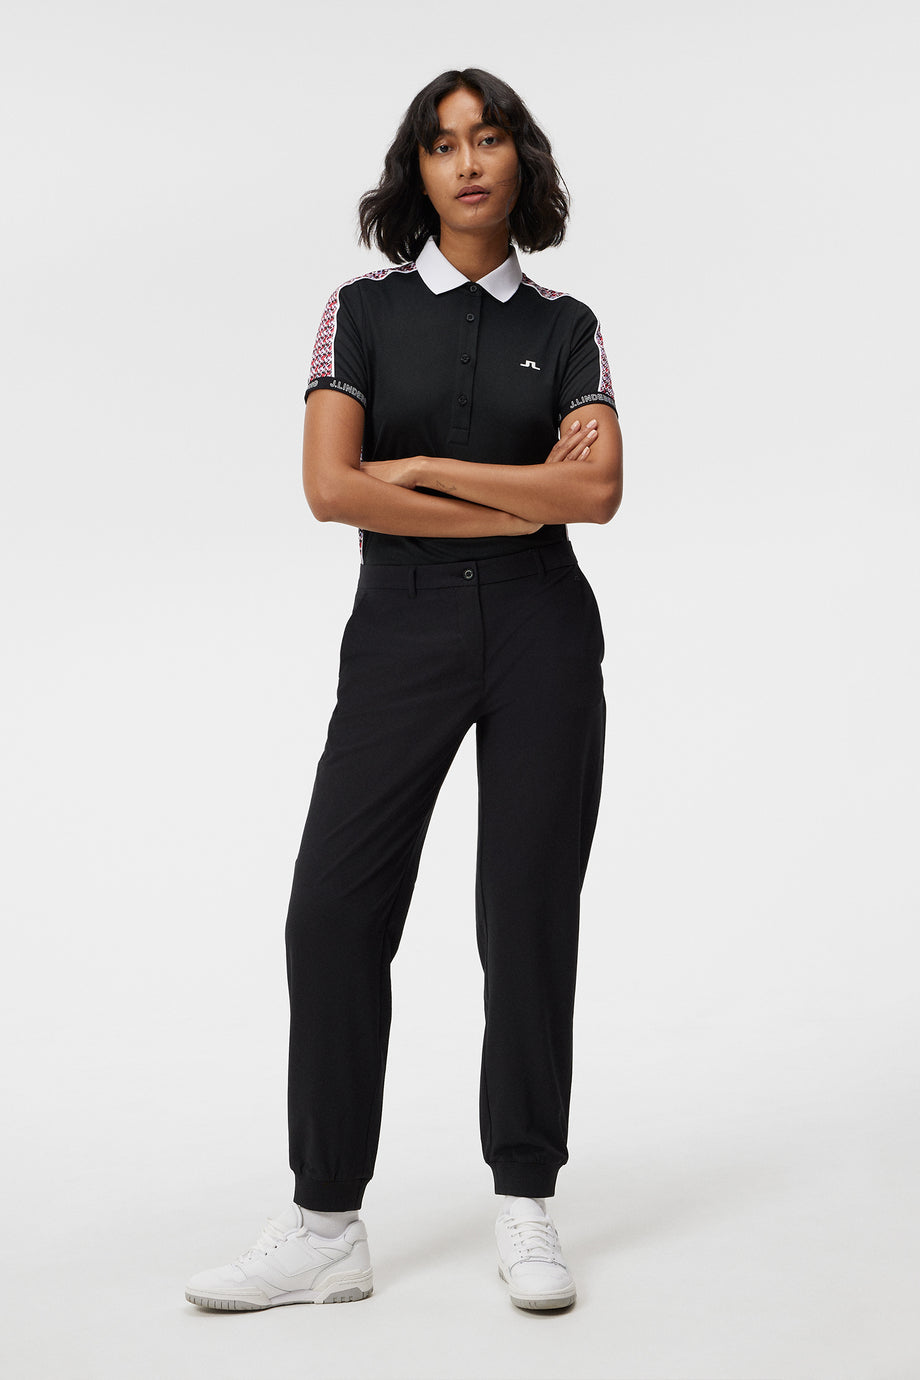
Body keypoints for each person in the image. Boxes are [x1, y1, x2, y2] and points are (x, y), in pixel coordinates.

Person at [185, 66, 622, 1315]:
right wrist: (512, 491)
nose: (466, 162)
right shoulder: (361, 311)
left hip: (541, 626)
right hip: (402, 624)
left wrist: (421, 466)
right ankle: (326, 1222)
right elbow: (331, 488)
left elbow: (594, 495)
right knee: (331, 911)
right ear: (415, 172)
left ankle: (525, 1200)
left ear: (519, 160)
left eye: (487, 139)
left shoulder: (569, 325)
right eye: (441, 144)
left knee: (524, 914)